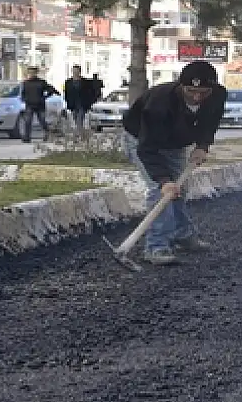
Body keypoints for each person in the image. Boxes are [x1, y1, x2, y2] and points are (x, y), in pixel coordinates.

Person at [122, 60, 227, 266]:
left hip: (176, 143)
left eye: (203, 92)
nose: (197, 97)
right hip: (142, 140)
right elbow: (147, 149)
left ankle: (182, 235)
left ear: (212, 89)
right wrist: (163, 180)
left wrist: (202, 146)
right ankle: (156, 247)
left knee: (180, 189)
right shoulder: (159, 103)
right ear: (181, 86)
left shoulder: (217, 95)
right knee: (161, 191)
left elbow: (211, 121)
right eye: (190, 92)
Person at [19, 66, 58, 143]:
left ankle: (48, 134)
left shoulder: (41, 82)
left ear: (36, 73)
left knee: (42, 121)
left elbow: (51, 90)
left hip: (40, 105)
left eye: (33, 72)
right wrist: (24, 99)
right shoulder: (25, 83)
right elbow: (23, 94)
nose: (31, 74)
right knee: (28, 121)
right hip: (29, 105)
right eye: (30, 72)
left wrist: (44, 97)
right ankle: (27, 137)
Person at [63, 65, 96, 132]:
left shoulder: (85, 82)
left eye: (77, 71)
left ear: (79, 72)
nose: (75, 72)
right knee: (75, 119)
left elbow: (92, 92)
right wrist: (67, 102)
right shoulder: (68, 82)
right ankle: (80, 133)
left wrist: (90, 102)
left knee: (79, 119)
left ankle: (79, 134)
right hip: (72, 104)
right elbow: (66, 93)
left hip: (82, 104)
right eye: (74, 71)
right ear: (72, 72)